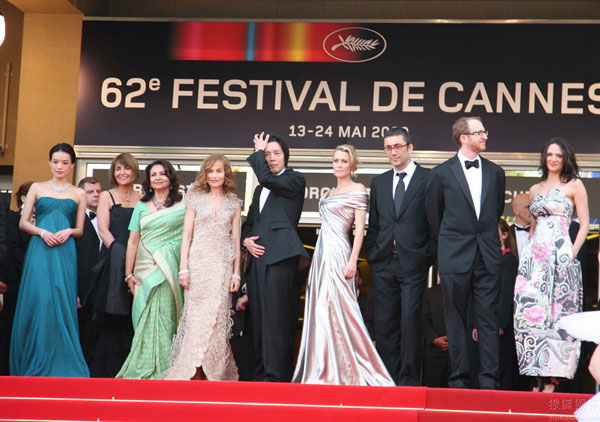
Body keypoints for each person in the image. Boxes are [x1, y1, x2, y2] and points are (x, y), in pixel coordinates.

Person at [293, 145, 394, 386]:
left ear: (352, 165)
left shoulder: (359, 189)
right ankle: (323, 368)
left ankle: (347, 368)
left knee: (341, 308)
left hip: (340, 253)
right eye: (336, 160)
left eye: (343, 161)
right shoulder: (327, 193)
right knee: (320, 309)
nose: (338, 165)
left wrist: (353, 261)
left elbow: (360, 229)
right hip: (321, 254)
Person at [426, 116, 506, 389]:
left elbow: (494, 213)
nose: (485, 136)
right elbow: (434, 218)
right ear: (464, 138)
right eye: (480, 132)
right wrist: (446, 248)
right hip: (454, 255)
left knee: (487, 319)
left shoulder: (496, 172)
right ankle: (459, 379)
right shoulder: (440, 173)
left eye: (485, 131)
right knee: (455, 319)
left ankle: (489, 381)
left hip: (487, 255)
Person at [513, 137, 588, 392]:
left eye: (558, 155)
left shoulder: (574, 184)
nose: (553, 159)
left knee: (559, 313)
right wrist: (527, 257)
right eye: (549, 155)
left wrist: (572, 254)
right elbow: (533, 227)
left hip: (561, 256)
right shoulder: (534, 189)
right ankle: (536, 374)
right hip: (535, 260)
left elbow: (585, 225)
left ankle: (554, 377)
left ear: (565, 158)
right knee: (531, 313)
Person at [10, 143, 89, 377]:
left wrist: (69, 232)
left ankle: (62, 361)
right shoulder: (37, 187)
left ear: (73, 165)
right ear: (50, 162)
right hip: (40, 248)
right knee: (39, 299)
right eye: (56, 161)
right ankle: (34, 357)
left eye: (65, 162)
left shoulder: (79, 193)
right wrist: (42, 232)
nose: (60, 166)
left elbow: (80, 230)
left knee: (62, 300)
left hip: (65, 251)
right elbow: (23, 222)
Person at [164, 154, 242, 381]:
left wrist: (237, 272)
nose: (215, 175)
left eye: (219, 171)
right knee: (196, 319)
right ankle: (192, 372)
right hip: (197, 266)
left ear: (226, 173)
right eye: (211, 171)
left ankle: (214, 373)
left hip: (222, 266)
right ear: (205, 174)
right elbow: (186, 236)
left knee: (217, 320)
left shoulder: (234, 203)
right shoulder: (195, 199)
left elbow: (235, 239)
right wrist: (183, 268)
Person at [365, 126, 433, 386]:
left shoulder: (429, 179)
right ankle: (387, 380)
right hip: (384, 263)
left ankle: (408, 381)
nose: (392, 151)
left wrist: (426, 256)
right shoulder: (379, 182)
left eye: (397, 146)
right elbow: (376, 224)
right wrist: (373, 254)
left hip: (414, 264)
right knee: (385, 324)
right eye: (388, 147)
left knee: (410, 323)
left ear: (409, 148)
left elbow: (434, 224)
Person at [242, 132, 309, 382]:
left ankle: (275, 376)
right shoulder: (260, 190)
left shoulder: (294, 179)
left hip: (280, 259)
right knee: (257, 318)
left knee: (275, 318)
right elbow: (249, 223)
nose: (270, 159)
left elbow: (266, 177)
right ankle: (259, 374)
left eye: (275, 154)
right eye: (267, 154)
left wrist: (257, 153)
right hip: (257, 261)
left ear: (286, 156)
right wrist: (245, 240)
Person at [117, 159, 186, 379]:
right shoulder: (140, 206)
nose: (157, 178)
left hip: (168, 271)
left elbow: (187, 239)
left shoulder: (182, 206)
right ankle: (143, 365)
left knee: (165, 319)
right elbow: (133, 241)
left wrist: (168, 256)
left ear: (170, 178)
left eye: (162, 174)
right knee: (145, 318)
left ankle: (166, 369)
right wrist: (129, 273)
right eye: (153, 174)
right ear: (148, 180)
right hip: (144, 270)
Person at [91, 153, 142, 377]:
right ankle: (107, 371)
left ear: (134, 171)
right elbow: (103, 230)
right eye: (118, 168)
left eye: (127, 168)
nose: (122, 172)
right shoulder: (106, 196)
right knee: (111, 314)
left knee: (133, 313)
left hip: (138, 261)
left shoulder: (142, 198)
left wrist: (134, 259)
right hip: (113, 260)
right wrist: (120, 256)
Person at [0, 183, 32, 374]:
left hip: (33, 283)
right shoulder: (12, 218)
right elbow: (9, 247)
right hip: (14, 281)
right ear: (22, 198)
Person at [76, 177, 103, 366]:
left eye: (98, 191)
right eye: (90, 192)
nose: (96, 195)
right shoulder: (74, 219)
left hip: (102, 287)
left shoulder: (108, 216)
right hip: (81, 286)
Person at [496, 218, 520, 390]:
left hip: (500, 324)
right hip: (484, 321)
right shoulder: (487, 259)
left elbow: (506, 293)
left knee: (502, 367)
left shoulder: (509, 260)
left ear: (504, 235)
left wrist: (501, 323)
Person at [421, 283, 449, 388]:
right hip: (433, 351)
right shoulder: (429, 293)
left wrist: (454, 340)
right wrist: (434, 338)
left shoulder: (463, 291)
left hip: (458, 353)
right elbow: (423, 319)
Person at [510, 193, 533, 260]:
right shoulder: (507, 234)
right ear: (516, 211)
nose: (532, 210)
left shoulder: (540, 233)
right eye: (528, 207)